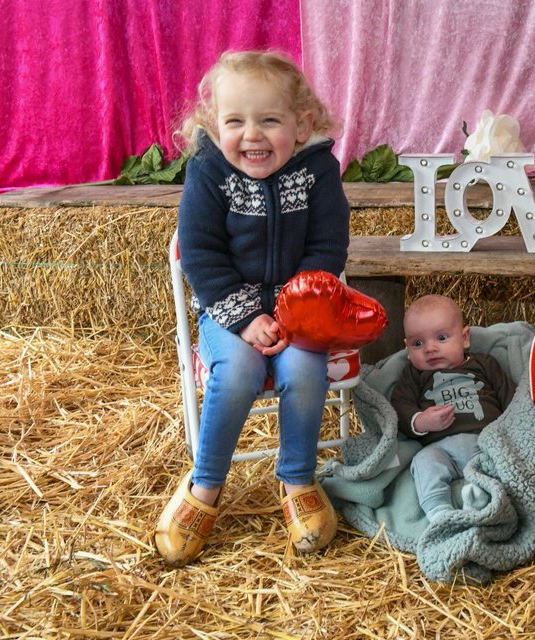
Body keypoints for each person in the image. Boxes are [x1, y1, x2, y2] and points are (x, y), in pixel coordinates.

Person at [155, 50, 350, 566]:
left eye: (269, 120)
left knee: (305, 370)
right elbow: (200, 254)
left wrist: (290, 314)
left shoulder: (319, 170)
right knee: (239, 372)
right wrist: (245, 319)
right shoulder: (209, 169)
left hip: (298, 310)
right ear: (214, 125)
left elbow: (328, 249)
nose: (252, 135)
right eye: (235, 121)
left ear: (302, 123)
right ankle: (205, 486)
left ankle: (297, 479)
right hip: (227, 308)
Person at [391, 295, 516, 521]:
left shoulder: (484, 364)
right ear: (408, 348)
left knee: (504, 462)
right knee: (423, 462)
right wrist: (420, 421)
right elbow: (400, 406)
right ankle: (439, 511)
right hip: (440, 449)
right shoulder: (414, 374)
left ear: (465, 338)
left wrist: (510, 433)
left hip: (484, 442)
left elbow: (512, 398)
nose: (430, 349)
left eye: (441, 337)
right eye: (418, 343)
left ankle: (482, 497)